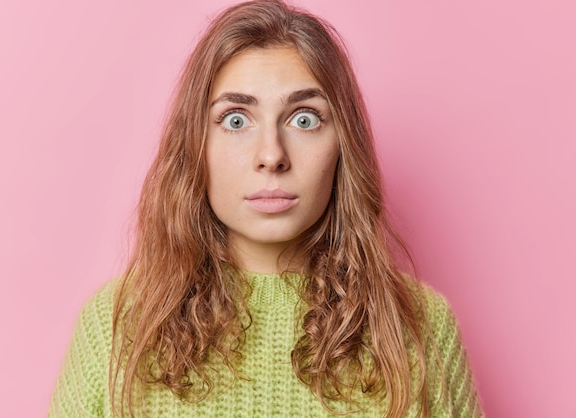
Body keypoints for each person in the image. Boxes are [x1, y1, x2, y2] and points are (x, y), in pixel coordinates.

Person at [48, 0, 483, 416]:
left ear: (343, 146)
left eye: (304, 119)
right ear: (195, 146)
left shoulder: (421, 326)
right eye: (236, 120)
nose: (271, 155)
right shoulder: (114, 327)